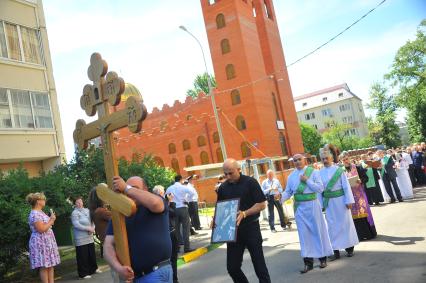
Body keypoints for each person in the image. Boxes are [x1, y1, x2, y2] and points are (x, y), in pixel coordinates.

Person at [104, 176, 172, 283]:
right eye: (125, 189)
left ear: (146, 190)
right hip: (141, 276)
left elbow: (155, 204)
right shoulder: (119, 214)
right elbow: (108, 246)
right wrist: (119, 268)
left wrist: (126, 187)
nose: (128, 192)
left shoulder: (155, 202)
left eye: (134, 188)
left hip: (160, 270)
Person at [217, 158, 271, 283]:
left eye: (231, 173)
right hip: (233, 232)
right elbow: (221, 209)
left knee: (259, 265)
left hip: (251, 228)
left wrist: (245, 213)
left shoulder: (250, 182)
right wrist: (216, 220)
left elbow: (262, 204)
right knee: (232, 268)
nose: (228, 176)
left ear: (239, 169)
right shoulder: (223, 188)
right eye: (225, 174)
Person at [281, 154, 333, 273]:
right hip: (299, 208)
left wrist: (307, 181)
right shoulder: (291, 176)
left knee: (317, 232)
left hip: (313, 205)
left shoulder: (314, 172)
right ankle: (308, 263)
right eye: (295, 160)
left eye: (299, 159)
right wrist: (280, 197)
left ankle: (322, 259)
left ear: (304, 160)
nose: (297, 162)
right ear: (292, 162)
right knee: (304, 236)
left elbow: (320, 189)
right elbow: (288, 192)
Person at [319, 145, 359, 260]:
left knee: (345, 224)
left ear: (331, 158)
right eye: (323, 159)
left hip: (341, 201)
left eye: (327, 158)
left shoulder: (338, 170)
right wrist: (321, 204)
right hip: (329, 203)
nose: (325, 160)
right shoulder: (319, 173)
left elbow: (346, 186)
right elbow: (320, 190)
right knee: (332, 226)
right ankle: (335, 250)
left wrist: (349, 200)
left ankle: (349, 248)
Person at [340, 152, 377, 240]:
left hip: (359, 194)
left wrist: (361, 180)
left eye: (346, 159)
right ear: (341, 161)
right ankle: (359, 235)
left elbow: (366, 178)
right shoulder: (341, 171)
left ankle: (368, 234)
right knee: (353, 215)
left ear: (349, 158)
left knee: (363, 212)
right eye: (343, 160)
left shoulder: (357, 167)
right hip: (349, 196)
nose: (345, 161)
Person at [26, 192, 60, 283]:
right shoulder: (34, 214)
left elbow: (47, 225)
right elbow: (41, 229)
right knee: (44, 266)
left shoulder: (40, 212)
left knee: (50, 264)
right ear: (38, 201)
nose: (44, 201)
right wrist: (51, 220)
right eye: (43, 199)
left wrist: (51, 220)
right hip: (40, 242)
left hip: (47, 241)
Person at [153, 185, 179, 283]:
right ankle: (174, 280)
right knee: (173, 259)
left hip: (160, 235)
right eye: (163, 191)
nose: (165, 193)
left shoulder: (152, 203)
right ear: (160, 193)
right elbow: (173, 213)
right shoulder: (162, 202)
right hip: (170, 234)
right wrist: (171, 202)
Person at [166, 175, 195, 253]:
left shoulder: (169, 188)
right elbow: (192, 193)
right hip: (183, 207)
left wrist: (171, 202)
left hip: (174, 209)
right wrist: (187, 200)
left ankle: (177, 248)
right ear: (181, 180)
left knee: (176, 229)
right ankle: (187, 247)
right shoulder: (183, 187)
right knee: (186, 228)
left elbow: (166, 196)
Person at [71, 196, 99, 279]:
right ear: (75, 204)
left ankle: (93, 269)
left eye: (80, 202)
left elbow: (92, 221)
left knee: (91, 254)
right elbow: (76, 224)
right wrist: (88, 228)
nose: (79, 204)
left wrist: (93, 228)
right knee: (82, 256)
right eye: (77, 202)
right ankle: (83, 273)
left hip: (89, 236)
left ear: (82, 202)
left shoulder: (87, 210)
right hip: (80, 238)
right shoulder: (74, 213)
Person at [88, 188, 112, 257]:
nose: (106, 197)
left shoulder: (97, 210)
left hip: (107, 243)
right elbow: (117, 218)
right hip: (111, 244)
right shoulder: (100, 211)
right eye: (104, 195)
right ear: (99, 198)